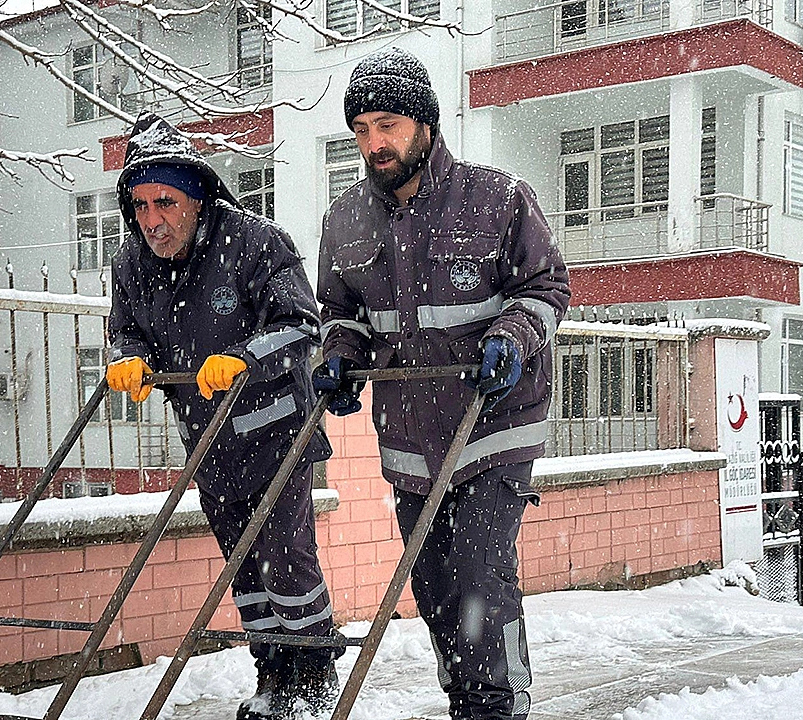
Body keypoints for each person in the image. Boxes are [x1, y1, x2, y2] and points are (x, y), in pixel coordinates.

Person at [313, 48, 571, 720]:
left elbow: (546, 285)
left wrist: (511, 337)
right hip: (409, 438)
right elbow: (342, 312)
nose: (375, 143)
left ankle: (499, 706)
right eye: (363, 129)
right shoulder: (343, 222)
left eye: (389, 124)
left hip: (495, 422)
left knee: (482, 576)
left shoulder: (497, 197)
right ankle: (464, 700)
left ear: (425, 122)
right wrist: (340, 355)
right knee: (432, 586)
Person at [105, 112, 340, 720]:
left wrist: (242, 360)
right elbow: (126, 329)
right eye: (139, 205)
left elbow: (299, 326)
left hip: (275, 433)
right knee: (243, 566)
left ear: (198, 195)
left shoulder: (256, 243)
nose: (151, 220)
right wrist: (128, 358)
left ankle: (311, 680)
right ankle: (271, 676)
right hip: (207, 441)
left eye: (164, 202)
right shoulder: (133, 263)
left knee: (287, 559)